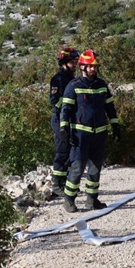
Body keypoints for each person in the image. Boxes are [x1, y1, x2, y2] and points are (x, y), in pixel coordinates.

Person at [60, 49, 120, 213]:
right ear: (82, 67)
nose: (94, 69)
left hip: (99, 133)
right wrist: (64, 128)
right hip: (80, 135)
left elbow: (110, 107)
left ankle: (92, 200)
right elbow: (65, 109)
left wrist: (115, 125)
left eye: (95, 66)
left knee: (95, 168)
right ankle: (69, 200)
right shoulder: (73, 86)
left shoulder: (101, 85)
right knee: (77, 167)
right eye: (90, 66)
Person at [48, 47, 79, 200]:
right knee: (62, 152)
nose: (75, 65)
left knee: (69, 153)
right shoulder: (58, 79)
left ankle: (65, 183)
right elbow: (54, 100)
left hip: (72, 120)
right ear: (64, 63)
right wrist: (68, 105)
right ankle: (56, 187)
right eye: (72, 62)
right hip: (60, 119)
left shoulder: (74, 79)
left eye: (76, 62)